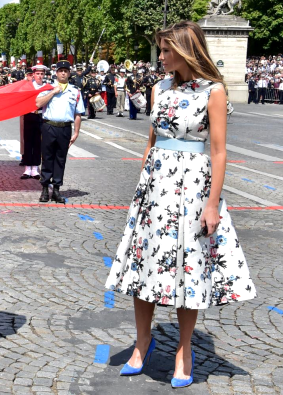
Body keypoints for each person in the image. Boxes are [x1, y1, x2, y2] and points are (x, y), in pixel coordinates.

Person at [105, 21, 256, 389]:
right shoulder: (159, 88)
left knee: (188, 269)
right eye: (161, 49)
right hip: (155, 189)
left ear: (187, 50)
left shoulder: (213, 91)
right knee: (145, 265)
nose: (161, 56)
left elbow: (219, 152)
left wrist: (212, 205)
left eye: (167, 50)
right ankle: (142, 344)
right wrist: (142, 187)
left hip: (193, 187)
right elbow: (151, 141)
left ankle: (183, 351)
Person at [35, 60, 84, 203]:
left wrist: (76, 132)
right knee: (47, 158)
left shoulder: (75, 91)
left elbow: (78, 114)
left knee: (60, 159)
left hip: (65, 128)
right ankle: (45, 188)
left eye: (66, 71)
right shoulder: (47, 88)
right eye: (61, 70)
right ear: (56, 73)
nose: (63, 73)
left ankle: (56, 189)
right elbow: (38, 103)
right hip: (49, 126)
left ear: (69, 73)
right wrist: (52, 92)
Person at [20, 64, 47, 179]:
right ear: (34, 74)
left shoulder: (47, 87)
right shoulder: (28, 86)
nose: (39, 76)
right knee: (28, 142)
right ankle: (27, 168)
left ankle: (35, 168)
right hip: (29, 115)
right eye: (37, 74)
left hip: (41, 116)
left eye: (42, 74)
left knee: (38, 142)